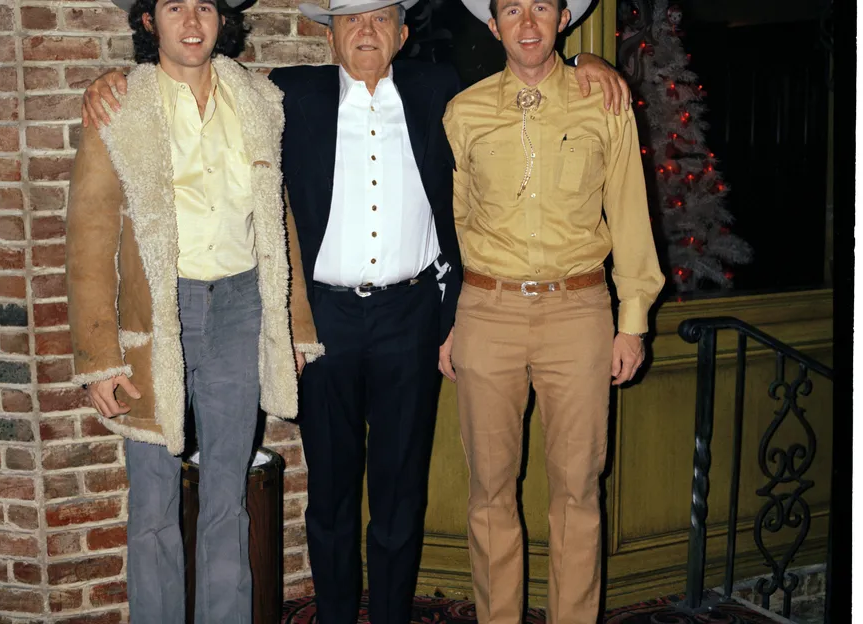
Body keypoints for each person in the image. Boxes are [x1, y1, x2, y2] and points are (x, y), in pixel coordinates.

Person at [79, 1, 630, 621]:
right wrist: (113, 81)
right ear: (330, 35)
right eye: (350, 20)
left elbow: (528, 65)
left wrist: (590, 59)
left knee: (401, 493)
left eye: (380, 19)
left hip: (412, 317)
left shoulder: (439, 88)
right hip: (325, 324)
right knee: (331, 497)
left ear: (401, 32)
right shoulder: (288, 93)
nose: (365, 32)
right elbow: (185, 72)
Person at [64, 0, 317, 622]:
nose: (192, 21)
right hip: (156, 320)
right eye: (174, 6)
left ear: (222, 19)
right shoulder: (120, 108)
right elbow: (89, 232)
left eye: (204, 5)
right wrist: (100, 357)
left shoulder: (258, 101)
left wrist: (296, 331)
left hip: (240, 309)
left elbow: (278, 219)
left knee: (227, 497)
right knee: (151, 503)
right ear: (150, 21)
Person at [441, 0, 666, 622]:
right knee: (489, 494)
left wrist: (633, 321)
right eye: (512, 9)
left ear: (563, 17)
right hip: (488, 311)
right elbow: (453, 223)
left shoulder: (604, 103)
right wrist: (452, 319)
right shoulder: (463, 113)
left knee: (577, 493)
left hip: (579, 313)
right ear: (494, 27)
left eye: (541, 6)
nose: (529, 23)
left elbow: (628, 211)